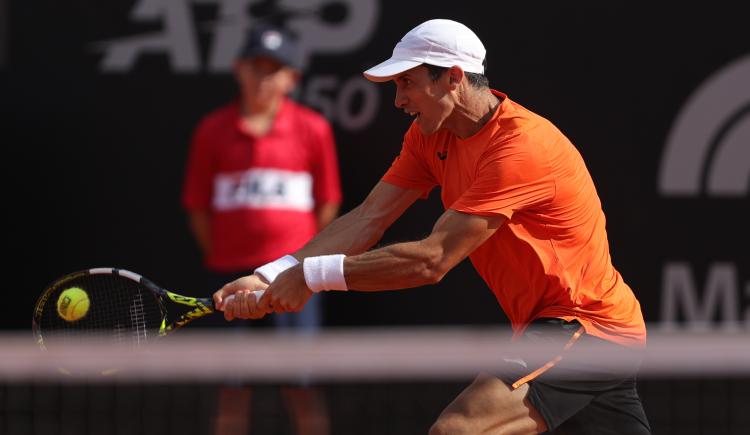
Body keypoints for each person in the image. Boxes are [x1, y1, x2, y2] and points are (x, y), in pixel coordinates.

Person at [215, 19, 651, 434]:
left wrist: (311, 276)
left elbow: (433, 260)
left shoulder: (521, 148)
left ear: (453, 78)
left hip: (584, 327)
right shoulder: (429, 135)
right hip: (573, 330)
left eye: (407, 82)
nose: (398, 99)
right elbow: (369, 217)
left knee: (458, 429)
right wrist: (269, 274)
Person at [181, 23, 341, 435]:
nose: (264, 77)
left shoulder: (313, 129)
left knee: (303, 385)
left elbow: (328, 203)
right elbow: (198, 208)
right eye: (256, 67)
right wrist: (227, 256)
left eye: (274, 69)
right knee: (231, 388)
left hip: (293, 277)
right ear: (238, 69)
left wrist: (297, 261)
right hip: (230, 276)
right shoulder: (211, 130)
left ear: (292, 78)